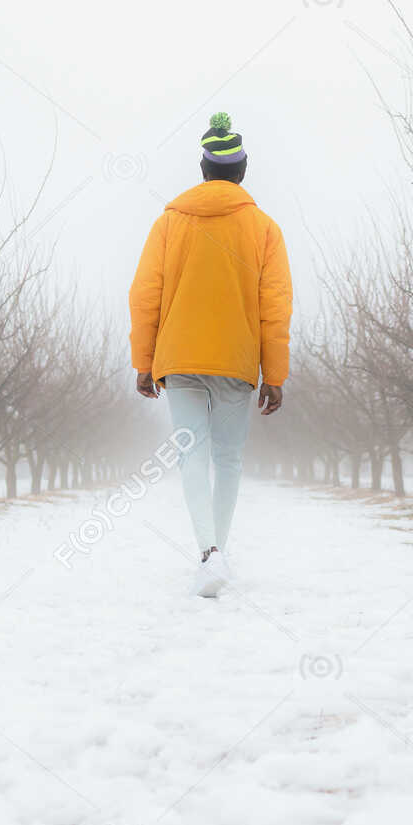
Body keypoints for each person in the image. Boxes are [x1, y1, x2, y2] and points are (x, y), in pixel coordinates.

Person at [128, 112, 292, 597]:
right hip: (237, 362)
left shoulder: (169, 223)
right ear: (242, 171)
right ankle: (217, 552)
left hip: (177, 359)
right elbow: (275, 305)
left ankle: (208, 553)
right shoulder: (264, 228)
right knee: (228, 457)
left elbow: (144, 294)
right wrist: (274, 373)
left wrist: (144, 362)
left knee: (190, 453)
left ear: (203, 170)